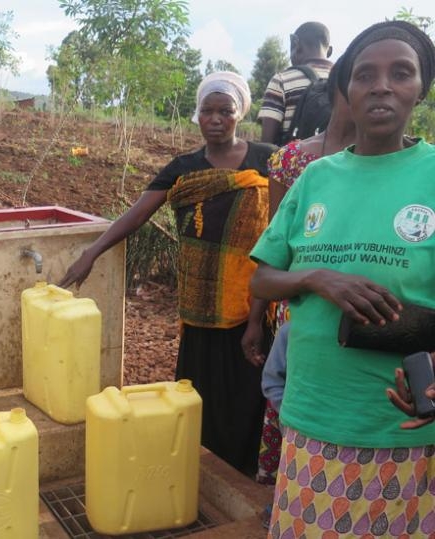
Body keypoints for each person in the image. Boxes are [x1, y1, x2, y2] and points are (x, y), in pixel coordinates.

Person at [250, 21, 435, 537]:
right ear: (347, 90)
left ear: (421, 89)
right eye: (365, 75)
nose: (381, 85)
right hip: (312, 418)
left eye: (401, 73)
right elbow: (263, 280)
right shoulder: (316, 177)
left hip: (400, 429)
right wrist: (319, 279)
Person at [59, 72, 276, 477]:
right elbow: (137, 214)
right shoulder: (184, 167)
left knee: (248, 386)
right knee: (198, 389)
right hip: (200, 299)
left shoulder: (267, 159)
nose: (215, 119)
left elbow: (285, 226)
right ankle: (198, 464)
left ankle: (246, 470)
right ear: (196, 115)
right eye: (207, 111)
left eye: (224, 111)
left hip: (253, 298)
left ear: (239, 113)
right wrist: (92, 253)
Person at [254, 58, 357, 486]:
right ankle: (290, 483)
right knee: (291, 388)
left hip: (356, 303)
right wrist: (255, 317)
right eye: (360, 80)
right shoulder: (293, 161)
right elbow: (272, 251)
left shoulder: (392, 165)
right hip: (297, 306)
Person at [258, 22, 333, 145]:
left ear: (295, 44)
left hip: (294, 162)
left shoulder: (281, 80)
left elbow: (267, 143)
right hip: (338, 161)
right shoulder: (348, 79)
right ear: (329, 51)